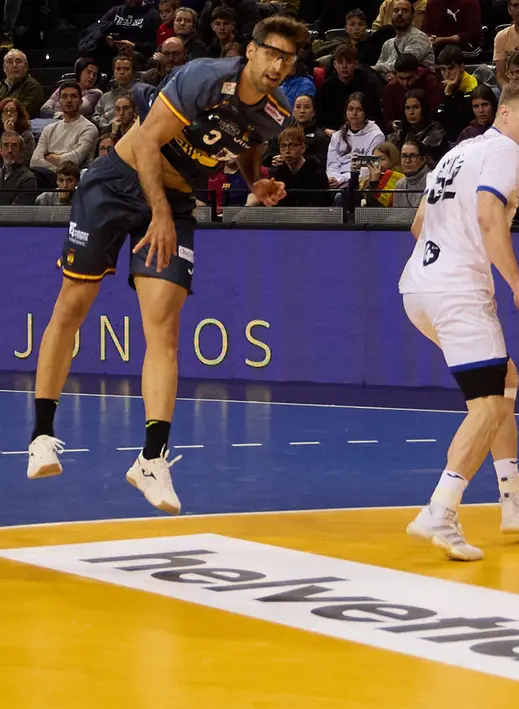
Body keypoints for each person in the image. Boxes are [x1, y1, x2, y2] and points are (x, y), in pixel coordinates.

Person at [25, 16, 310, 515]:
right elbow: (151, 142)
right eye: (272, 53)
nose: (278, 64)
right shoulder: (203, 77)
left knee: (165, 329)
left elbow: (249, 146)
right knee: (73, 304)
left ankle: (152, 459)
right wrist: (157, 214)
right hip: (117, 184)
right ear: (251, 50)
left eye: (288, 58)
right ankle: (42, 436)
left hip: (174, 204)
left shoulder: (274, 109)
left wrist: (257, 180)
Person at [398, 78, 519, 561]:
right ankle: (440, 511)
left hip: (417, 287)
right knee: (485, 408)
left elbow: (418, 224)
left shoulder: (457, 153)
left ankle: (514, 500)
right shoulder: (505, 152)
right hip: (458, 291)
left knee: (503, 377)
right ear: (505, 114)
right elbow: (488, 217)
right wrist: (518, 287)